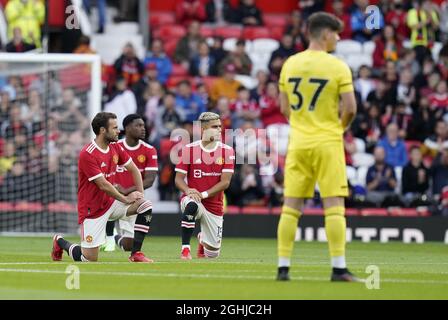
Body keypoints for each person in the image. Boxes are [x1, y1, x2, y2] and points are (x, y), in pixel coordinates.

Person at [276, 12, 358, 282]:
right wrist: (338, 127)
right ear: (325, 34)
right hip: (327, 141)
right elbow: (351, 109)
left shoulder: (290, 63)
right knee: (334, 205)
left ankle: (283, 267)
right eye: (336, 34)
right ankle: (338, 268)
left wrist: (301, 125)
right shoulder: (337, 66)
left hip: (298, 142)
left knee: (290, 207)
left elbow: (283, 107)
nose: (338, 38)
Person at [51, 112, 154, 263]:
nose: (119, 131)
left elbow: (134, 170)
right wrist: (126, 198)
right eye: (114, 128)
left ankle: (136, 254)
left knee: (145, 205)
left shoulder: (115, 147)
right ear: (102, 130)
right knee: (89, 259)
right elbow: (103, 185)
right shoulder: (88, 153)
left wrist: (139, 194)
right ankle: (60, 242)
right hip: (92, 210)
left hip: (111, 203)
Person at [174, 112, 235, 260]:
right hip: (194, 198)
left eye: (220, 126)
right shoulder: (189, 149)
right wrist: (188, 190)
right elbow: (178, 180)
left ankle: (203, 239)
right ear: (203, 129)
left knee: (212, 254)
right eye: (215, 127)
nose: (219, 129)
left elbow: (225, 182)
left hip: (214, 204)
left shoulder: (227, 151)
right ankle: (185, 250)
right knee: (192, 205)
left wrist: (204, 194)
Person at [101, 114, 158, 254]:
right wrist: (115, 189)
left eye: (143, 125)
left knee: (129, 246)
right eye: (138, 125)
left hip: (132, 199)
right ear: (127, 128)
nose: (143, 129)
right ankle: (107, 236)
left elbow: (149, 181)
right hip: (112, 196)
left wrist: (126, 191)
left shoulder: (149, 150)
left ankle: (114, 237)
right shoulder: (114, 147)